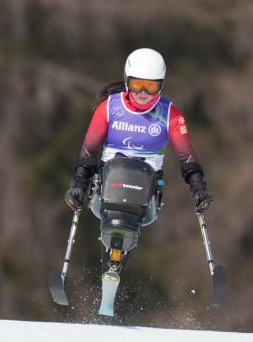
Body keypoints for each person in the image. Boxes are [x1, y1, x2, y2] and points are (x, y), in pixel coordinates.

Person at [64, 48, 214, 220]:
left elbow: (186, 156)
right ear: (127, 81)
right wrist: (79, 185)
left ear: (160, 85)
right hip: (108, 184)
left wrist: (199, 189)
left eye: (151, 86)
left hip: (146, 190)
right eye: (137, 85)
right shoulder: (109, 107)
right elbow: (89, 149)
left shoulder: (170, 114)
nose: (143, 93)